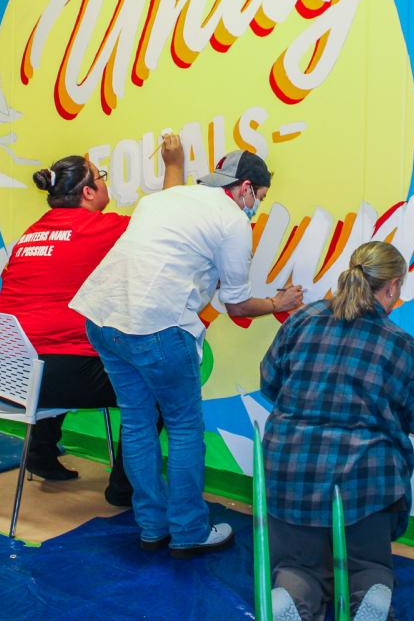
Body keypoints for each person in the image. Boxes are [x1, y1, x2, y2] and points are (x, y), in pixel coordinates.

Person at [70, 149, 305, 558]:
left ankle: (152, 527)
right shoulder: (233, 221)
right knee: (182, 427)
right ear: (245, 188)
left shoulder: (164, 198)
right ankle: (189, 531)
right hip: (155, 326)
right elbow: (236, 305)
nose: (257, 207)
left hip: (103, 318)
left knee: (139, 422)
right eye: (260, 197)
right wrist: (278, 303)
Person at [260, 241, 414, 621]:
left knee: (297, 565)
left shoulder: (303, 320)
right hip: (363, 481)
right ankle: (370, 592)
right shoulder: (401, 345)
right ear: (392, 287)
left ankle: (289, 593)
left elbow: (270, 381)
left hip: (288, 472)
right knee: (366, 564)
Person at [0, 142, 184, 506]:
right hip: (46, 376)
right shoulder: (97, 229)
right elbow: (166, 221)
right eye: (101, 177)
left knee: (55, 350)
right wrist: (173, 165)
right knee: (151, 385)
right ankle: (125, 490)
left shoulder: (30, 234)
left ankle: (41, 454)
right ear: (89, 192)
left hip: (2, 374)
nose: (105, 183)